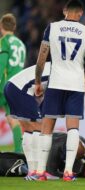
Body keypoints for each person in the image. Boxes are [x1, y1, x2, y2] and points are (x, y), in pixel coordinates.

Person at [34, 0, 85, 181]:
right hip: (75, 84)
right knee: (73, 129)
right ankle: (68, 172)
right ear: (80, 13)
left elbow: (42, 56)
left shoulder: (52, 28)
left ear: (65, 11)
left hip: (55, 83)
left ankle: (40, 173)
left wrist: (38, 81)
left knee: (47, 128)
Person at [3, 62, 51, 179]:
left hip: (11, 86)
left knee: (29, 129)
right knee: (39, 128)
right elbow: (49, 97)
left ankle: (32, 171)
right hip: (21, 89)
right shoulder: (60, 72)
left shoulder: (53, 65)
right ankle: (39, 171)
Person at [0, 133, 85, 179]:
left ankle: (7, 158)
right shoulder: (55, 150)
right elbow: (50, 171)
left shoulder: (81, 145)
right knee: (36, 168)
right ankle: (22, 168)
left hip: (50, 142)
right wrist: (66, 175)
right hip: (39, 147)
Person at [0, 13, 26, 153]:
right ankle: (19, 153)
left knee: (12, 119)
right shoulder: (21, 44)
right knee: (12, 120)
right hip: (16, 87)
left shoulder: (4, 41)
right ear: (14, 27)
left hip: (3, 86)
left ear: (1, 26)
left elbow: (1, 64)